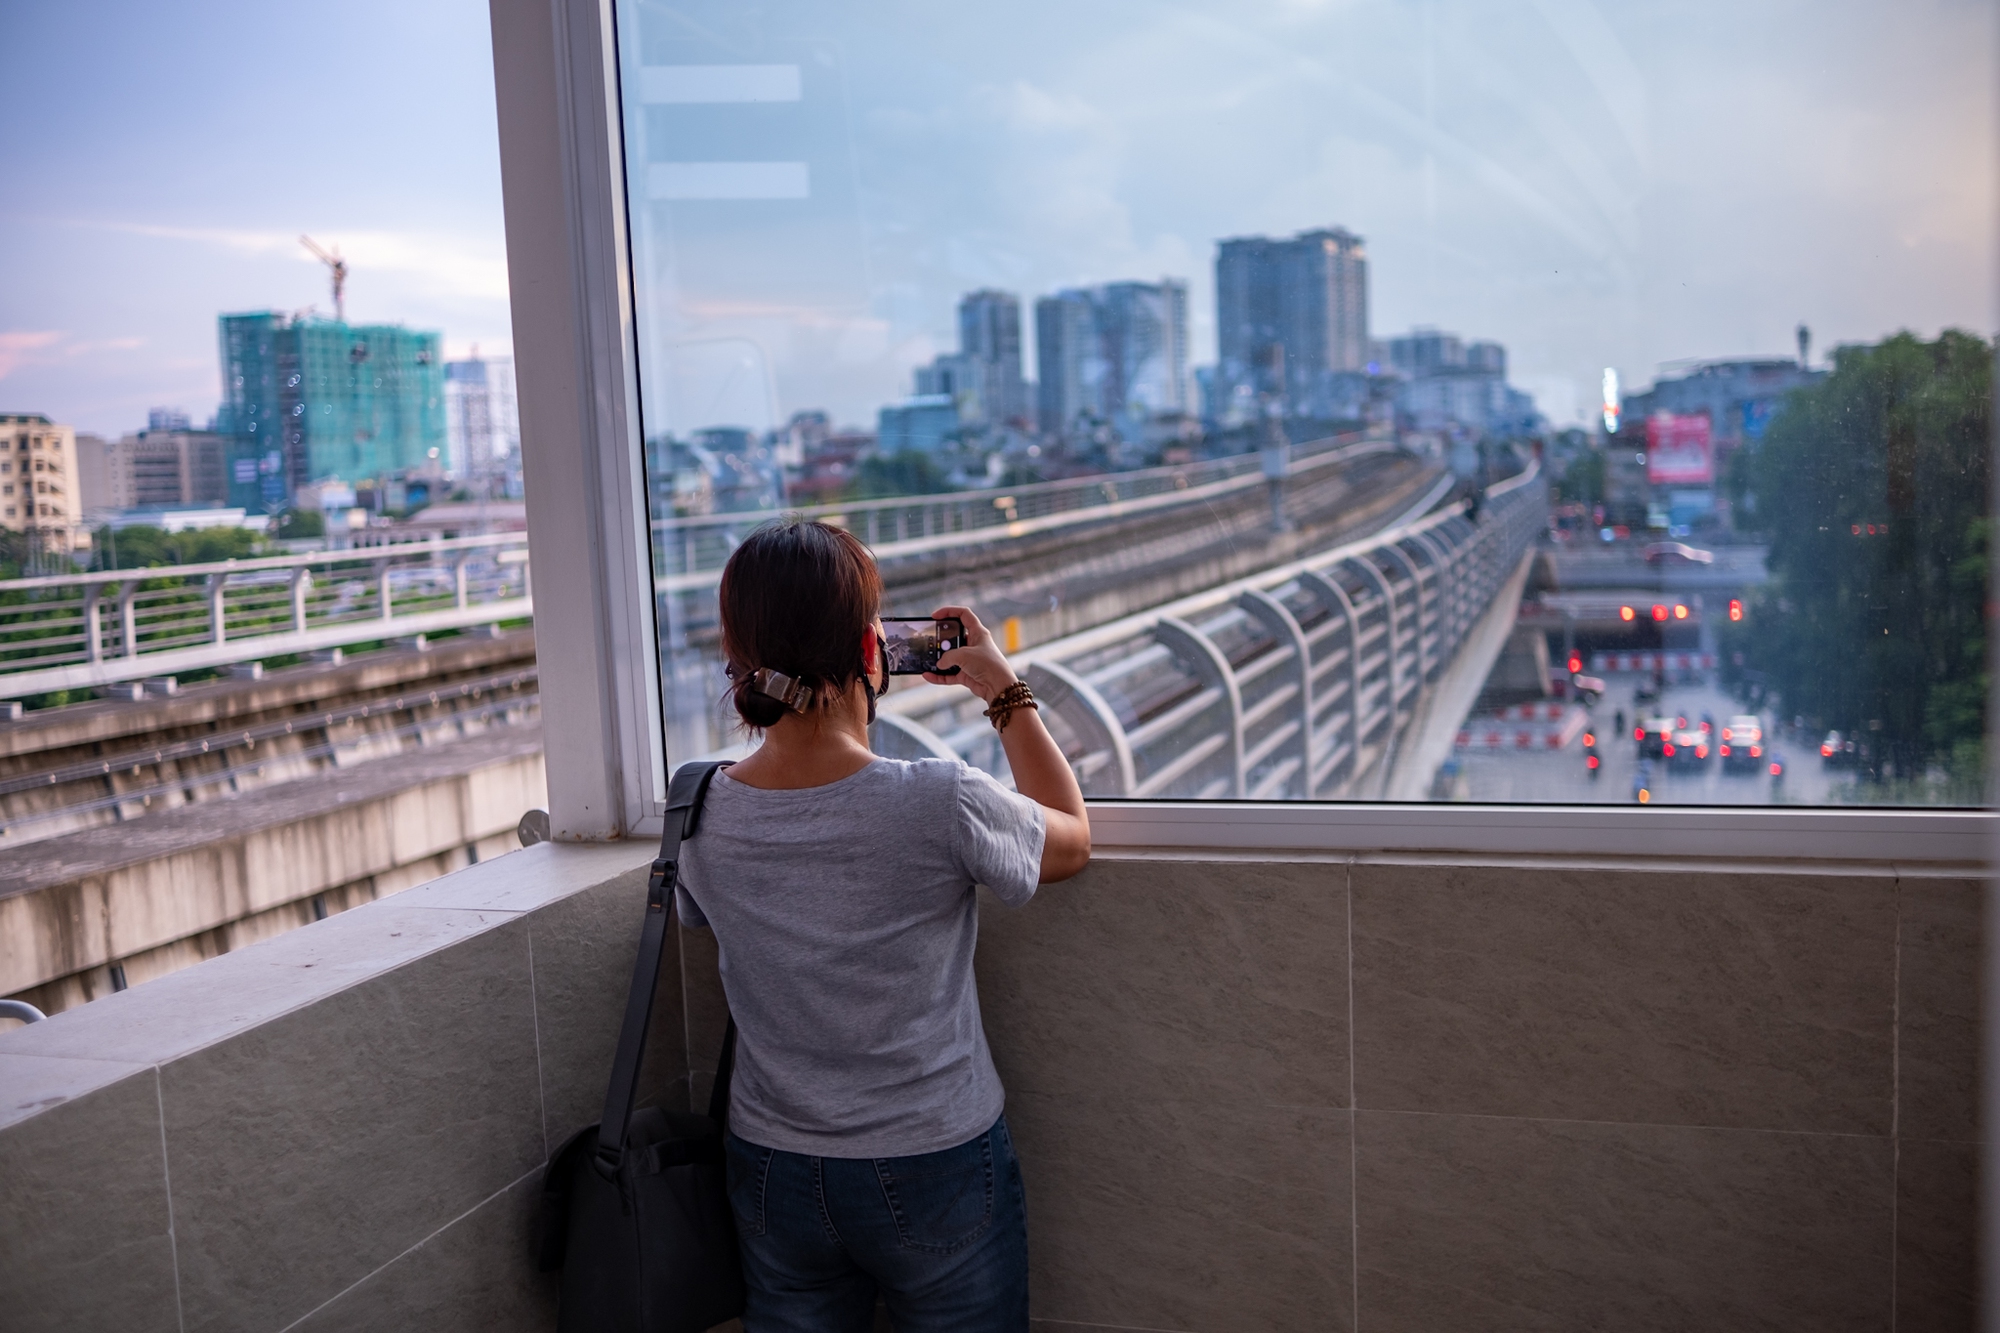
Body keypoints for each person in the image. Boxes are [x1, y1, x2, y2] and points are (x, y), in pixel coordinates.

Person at [676, 519, 1091, 1332]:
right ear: (872, 652)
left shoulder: (696, 811)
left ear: (737, 657)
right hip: (933, 1159)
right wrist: (1002, 690)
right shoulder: (938, 800)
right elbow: (1069, 836)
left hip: (771, 1168)